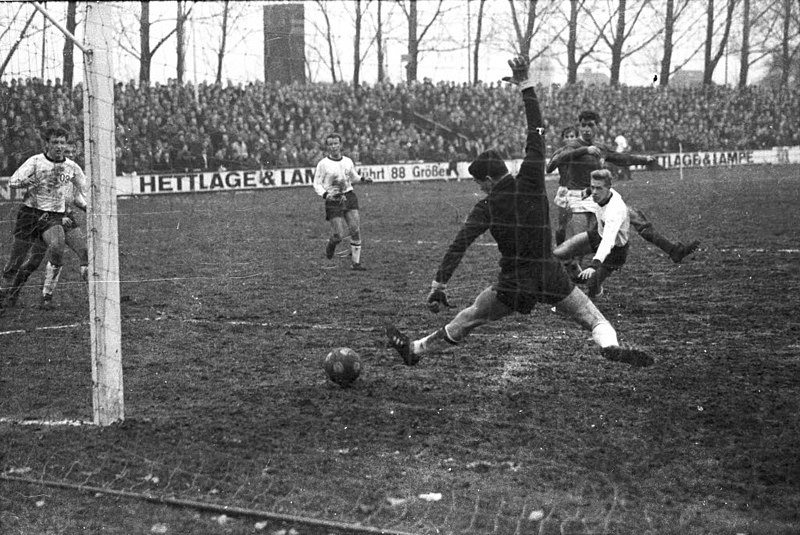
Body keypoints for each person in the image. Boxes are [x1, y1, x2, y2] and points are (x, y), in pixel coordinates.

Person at [385, 56, 653, 369]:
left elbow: (460, 242)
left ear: (486, 180)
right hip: (550, 272)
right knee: (594, 320)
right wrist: (525, 84)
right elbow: (536, 129)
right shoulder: (530, 177)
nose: (481, 189)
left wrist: (439, 284)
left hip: (513, 282)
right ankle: (610, 346)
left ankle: (416, 349)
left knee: (470, 317)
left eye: (480, 184)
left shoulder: (485, 205)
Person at [549, 116, 700, 265]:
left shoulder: (600, 147)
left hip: (600, 196)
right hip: (579, 199)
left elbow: (620, 158)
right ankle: (560, 269)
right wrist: (584, 150)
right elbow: (559, 159)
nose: (587, 129)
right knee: (579, 246)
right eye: (583, 125)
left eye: (590, 125)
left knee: (635, 217)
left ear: (597, 127)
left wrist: (642, 160)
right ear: (580, 127)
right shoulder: (574, 145)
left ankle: (672, 250)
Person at [0, 126, 87, 308]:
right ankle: (7, 292)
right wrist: (26, 181)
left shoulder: (71, 167)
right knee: (20, 259)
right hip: (30, 215)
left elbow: (83, 190)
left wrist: (90, 207)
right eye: (55, 142)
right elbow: (13, 181)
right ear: (46, 144)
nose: (59, 146)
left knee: (58, 252)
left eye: (62, 142)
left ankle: (46, 297)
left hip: (55, 216)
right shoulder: (36, 161)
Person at [553, 169, 628, 299]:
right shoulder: (600, 194)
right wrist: (587, 191)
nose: (594, 192)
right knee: (558, 253)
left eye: (598, 188)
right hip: (597, 236)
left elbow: (608, 241)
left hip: (615, 249)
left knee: (592, 286)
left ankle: (596, 289)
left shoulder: (615, 210)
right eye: (592, 187)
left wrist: (594, 266)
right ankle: (577, 273)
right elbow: (593, 189)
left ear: (609, 188)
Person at [313, 132, 367, 271]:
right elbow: (316, 183)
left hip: (348, 196)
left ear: (340, 145)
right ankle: (332, 243)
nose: (334, 147)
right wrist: (325, 194)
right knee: (338, 235)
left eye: (336, 143)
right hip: (333, 199)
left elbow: (353, 176)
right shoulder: (323, 164)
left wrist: (362, 179)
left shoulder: (347, 161)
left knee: (355, 229)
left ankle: (356, 263)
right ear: (327, 147)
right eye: (330, 144)